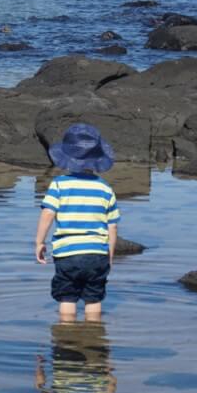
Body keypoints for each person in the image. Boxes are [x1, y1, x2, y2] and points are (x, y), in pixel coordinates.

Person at [35, 124, 119, 321]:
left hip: (67, 253)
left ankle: (67, 335)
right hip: (96, 254)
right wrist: (110, 254)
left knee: (67, 297)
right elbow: (112, 226)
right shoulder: (105, 188)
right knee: (93, 298)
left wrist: (39, 242)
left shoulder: (59, 184)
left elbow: (48, 214)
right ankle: (94, 334)